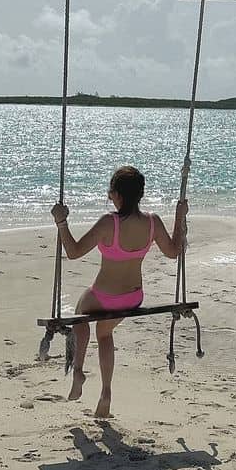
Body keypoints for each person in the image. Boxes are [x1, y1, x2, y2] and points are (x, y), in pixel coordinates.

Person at [51, 165, 186, 418]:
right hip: (133, 297)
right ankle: (106, 392)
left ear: (118, 195)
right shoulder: (153, 222)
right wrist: (180, 217)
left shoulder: (108, 223)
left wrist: (61, 222)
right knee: (104, 333)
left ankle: (78, 370)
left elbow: (74, 252)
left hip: (104, 297)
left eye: (111, 191)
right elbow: (173, 251)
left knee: (81, 313)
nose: (109, 195)